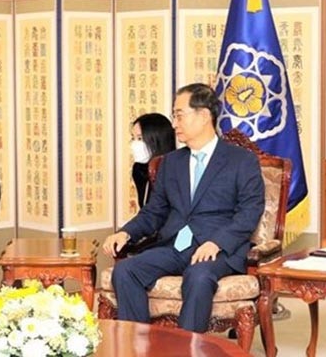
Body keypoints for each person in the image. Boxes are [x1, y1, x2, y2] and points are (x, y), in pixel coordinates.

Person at [102, 83, 265, 332]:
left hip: (217, 250)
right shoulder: (171, 163)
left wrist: (217, 242)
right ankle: (139, 345)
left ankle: (186, 350)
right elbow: (154, 212)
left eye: (179, 115)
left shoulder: (241, 161)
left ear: (203, 116)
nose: (174, 123)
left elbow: (250, 211)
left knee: (198, 277)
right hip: (175, 245)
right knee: (126, 271)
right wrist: (127, 232)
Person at [130, 113, 176, 207]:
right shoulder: (139, 170)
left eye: (140, 138)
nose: (134, 144)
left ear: (157, 140)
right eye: (132, 138)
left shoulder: (176, 172)